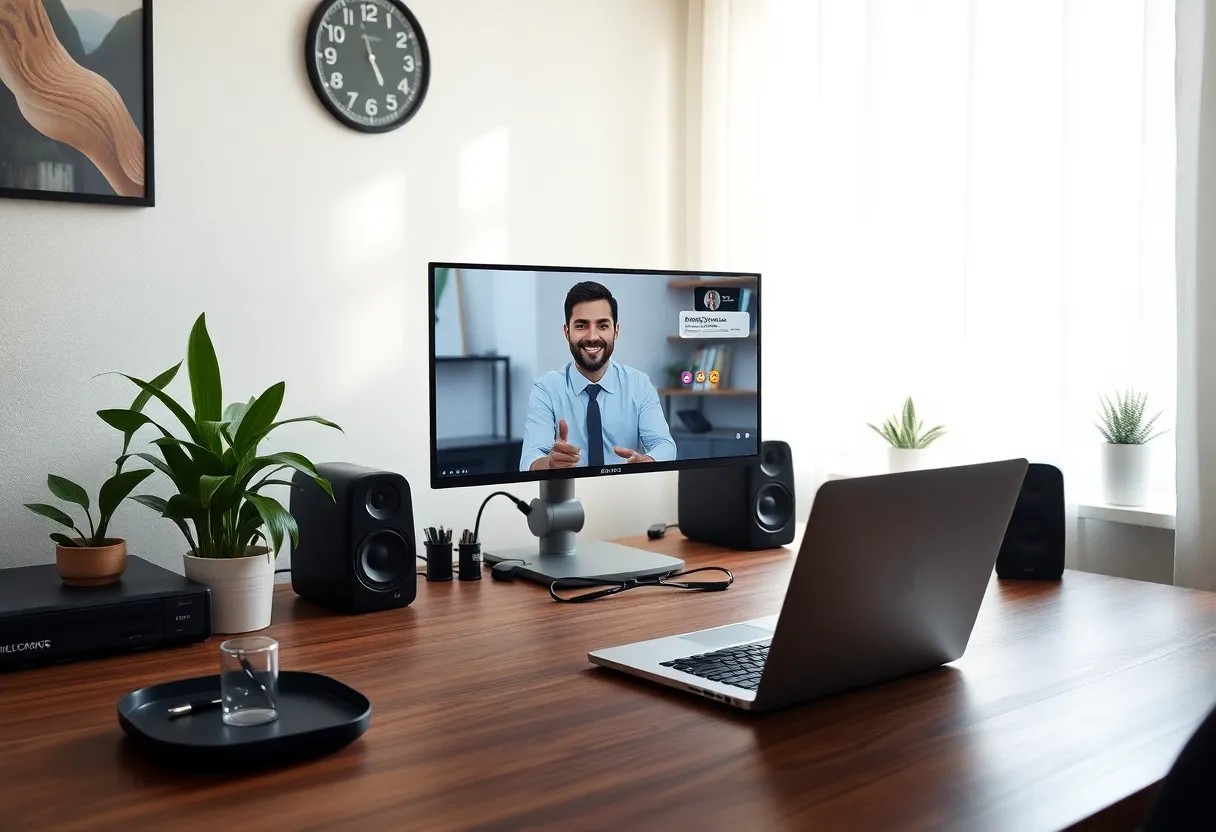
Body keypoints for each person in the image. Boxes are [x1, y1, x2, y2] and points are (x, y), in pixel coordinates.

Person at [520, 281, 677, 471]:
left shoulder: (639, 384)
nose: (592, 336)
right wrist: (550, 464)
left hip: (625, 491)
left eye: (602, 325)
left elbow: (664, 445)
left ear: (616, 331)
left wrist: (647, 462)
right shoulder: (546, 389)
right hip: (569, 493)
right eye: (581, 325)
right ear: (566, 332)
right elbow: (530, 458)